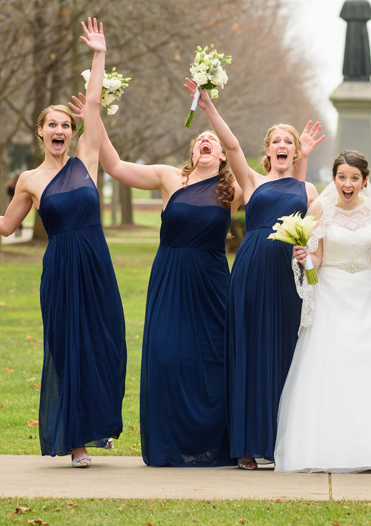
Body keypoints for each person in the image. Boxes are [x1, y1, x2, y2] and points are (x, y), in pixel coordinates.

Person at [0, 19, 126, 467]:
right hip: (61, 269)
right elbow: (8, 227)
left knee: (108, 344)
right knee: (70, 349)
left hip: (97, 263)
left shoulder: (87, 158)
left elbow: (95, 107)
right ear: (40, 133)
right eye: (53, 125)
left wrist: (98, 55)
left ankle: (100, 423)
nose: (61, 130)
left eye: (67, 123)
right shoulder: (29, 179)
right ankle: (78, 443)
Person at [68, 87, 243, 467]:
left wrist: (211, 113)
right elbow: (115, 166)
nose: (206, 142)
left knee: (213, 361)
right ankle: (168, 446)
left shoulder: (234, 190)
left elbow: (265, 173)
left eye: (212, 140)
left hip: (212, 283)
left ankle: (216, 445)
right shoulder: (169, 178)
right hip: (171, 277)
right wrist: (93, 118)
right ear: (193, 151)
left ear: (223, 153)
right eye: (200, 139)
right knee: (166, 356)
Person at [185, 78, 323, 470]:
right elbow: (231, 147)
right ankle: (244, 444)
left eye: (289, 143)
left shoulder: (311, 191)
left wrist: (306, 263)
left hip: (287, 277)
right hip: (249, 272)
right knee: (247, 352)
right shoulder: (253, 181)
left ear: (296, 151)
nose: (282, 146)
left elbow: (313, 246)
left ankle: (282, 443)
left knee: (284, 354)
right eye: (276, 141)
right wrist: (209, 106)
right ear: (267, 150)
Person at [274, 151, 371, 473]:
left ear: (364, 181)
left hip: (366, 294)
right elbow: (316, 259)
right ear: (334, 179)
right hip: (330, 293)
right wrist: (305, 257)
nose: (347, 184)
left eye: (354, 178)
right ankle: (327, 448)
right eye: (342, 177)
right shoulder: (319, 208)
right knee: (331, 364)